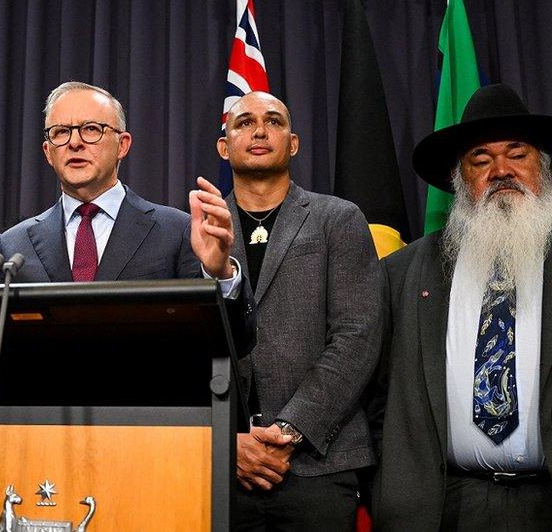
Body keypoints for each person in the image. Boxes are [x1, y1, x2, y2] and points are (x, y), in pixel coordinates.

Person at [371, 84, 552, 530]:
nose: (501, 171)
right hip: (442, 507)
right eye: (481, 160)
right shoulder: (401, 274)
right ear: (458, 177)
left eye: (518, 154)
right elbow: (374, 396)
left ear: (543, 168)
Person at [0, 81, 242, 291]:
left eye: (91, 129)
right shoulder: (11, 245)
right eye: (61, 133)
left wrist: (219, 275)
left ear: (123, 144)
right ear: (47, 152)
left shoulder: (176, 231)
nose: (74, 143)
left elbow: (229, 344)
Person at [217, 91, 381, 529]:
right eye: (244, 123)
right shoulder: (199, 228)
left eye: (273, 121)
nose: (258, 131)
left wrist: (288, 432)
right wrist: (227, 442)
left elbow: (357, 337)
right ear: (224, 144)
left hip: (318, 464)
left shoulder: (339, 219)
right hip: (224, 466)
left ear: (293, 143)